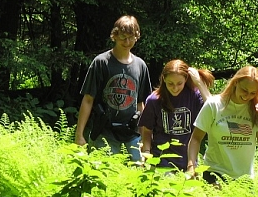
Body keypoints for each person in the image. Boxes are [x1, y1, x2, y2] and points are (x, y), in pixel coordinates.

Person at [74, 15, 152, 162]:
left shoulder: (140, 66)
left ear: (137, 37)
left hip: (132, 136)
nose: (127, 42)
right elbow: (88, 99)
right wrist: (79, 134)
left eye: (131, 38)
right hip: (104, 134)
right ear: (114, 36)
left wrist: (144, 140)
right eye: (123, 37)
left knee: (135, 180)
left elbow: (141, 104)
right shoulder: (101, 62)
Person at [187, 65, 258, 181]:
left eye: (253, 93)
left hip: (245, 178)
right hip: (215, 172)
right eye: (244, 90)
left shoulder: (256, 109)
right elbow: (196, 138)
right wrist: (191, 166)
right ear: (236, 83)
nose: (247, 96)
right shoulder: (214, 105)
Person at [138, 60, 215, 170]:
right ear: (164, 79)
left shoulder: (195, 97)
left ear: (186, 79)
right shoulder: (154, 100)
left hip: (188, 160)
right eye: (170, 83)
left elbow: (213, 110)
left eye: (179, 83)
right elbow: (147, 130)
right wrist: (146, 153)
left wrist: (199, 82)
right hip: (161, 159)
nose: (175, 88)